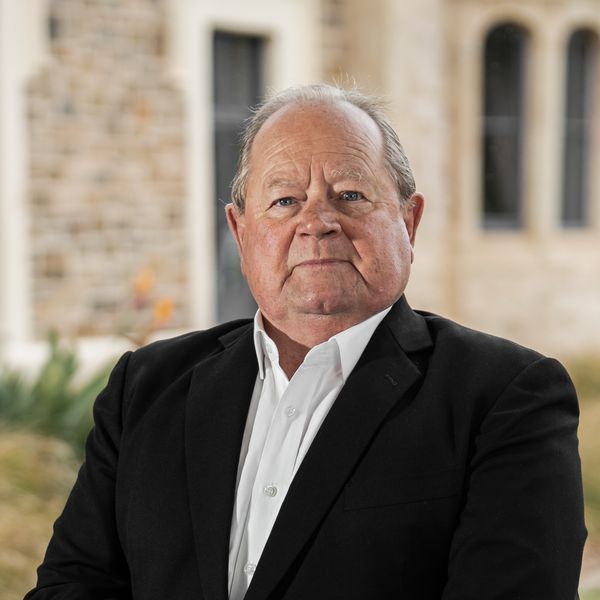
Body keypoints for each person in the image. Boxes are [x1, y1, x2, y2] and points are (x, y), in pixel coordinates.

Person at [26, 84, 586, 600]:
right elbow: (71, 586)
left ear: (409, 223)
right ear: (240, 233)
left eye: (350, 195)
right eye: (285, 201)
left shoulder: (506, 398)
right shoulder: (144, 388)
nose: (317, 222)